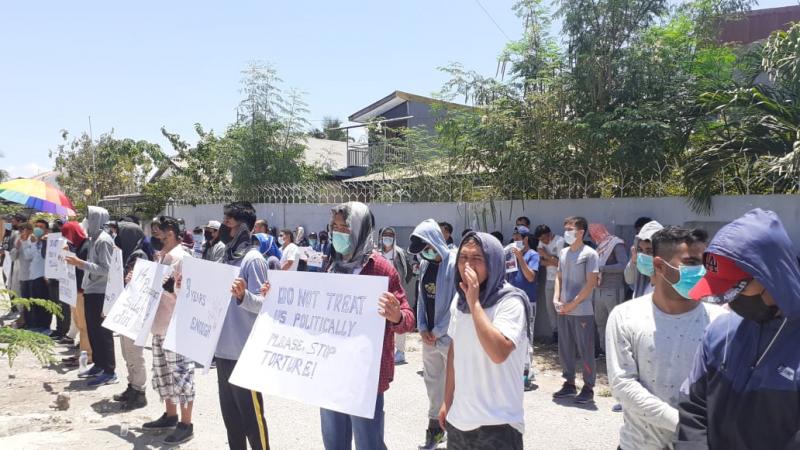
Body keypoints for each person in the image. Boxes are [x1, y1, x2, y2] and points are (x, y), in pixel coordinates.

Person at [677, 209, 800, 449]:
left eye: (736, 290)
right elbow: (693, 406)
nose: (727, 301)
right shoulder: (719, 332)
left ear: (770, 276)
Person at [606, 226, 725, 450]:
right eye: (691, 263)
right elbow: (623, 384)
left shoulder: (720, 321)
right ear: (659, 265)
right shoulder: (626, 316)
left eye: (705, 262)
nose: (701, 271)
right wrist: (684, 423)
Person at [315, 201, 415, 450]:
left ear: (361, 229)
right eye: (334, 227)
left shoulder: (380, 268)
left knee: (368, 442)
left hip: (364, 375)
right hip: (331, 370)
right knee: (334, 441)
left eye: (345, 228)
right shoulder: (331, 265)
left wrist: (396, 317)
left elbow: (408, 318)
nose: (338, 233)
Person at [439, 231, 530, 450]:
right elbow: (455, 351)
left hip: (498, 423)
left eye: (477, 259)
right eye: (463, 258)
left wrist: (475, 303)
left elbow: (498, 352)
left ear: (493, 262)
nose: (467, 265)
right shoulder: (460, 301)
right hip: (460, 420)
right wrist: (447, 400)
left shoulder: (510, 302)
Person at [215, 201, 271, 450]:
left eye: (228, 223)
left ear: (243, 226)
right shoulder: (225, 257)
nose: (223, 228)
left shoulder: (253, 260)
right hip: (223, 351)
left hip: (244, 353)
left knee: (252, 419)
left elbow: (263, 305)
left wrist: (243, 296)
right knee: (232, 420)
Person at [141, 216, 195, 445]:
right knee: (163, 374)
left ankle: (186, 424)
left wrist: (175, 289)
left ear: (170, 232)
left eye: (158, 231)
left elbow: (191, 294)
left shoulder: (183, 258)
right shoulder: (163, 257)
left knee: (181, 375)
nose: (154, 236)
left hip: (176, 327)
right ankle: (171, 415)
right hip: (160, 325)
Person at [408, 218, 458, 449]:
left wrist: (438, 331)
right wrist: (422, 327)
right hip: (429, 337)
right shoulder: (426, 265)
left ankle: (457, 433)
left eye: (427, 247)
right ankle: (435, 430)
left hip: (450, 338)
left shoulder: (455, 263)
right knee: (433, 383)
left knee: (455, 384)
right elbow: (421, 300)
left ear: (436, 241)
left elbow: (458, 303)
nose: (425, 253)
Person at [66, 206, 117, 386]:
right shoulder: (94, 239)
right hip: (91, 290)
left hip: (100, 292)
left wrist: (80, 263)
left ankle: (110, 371)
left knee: (103, 332)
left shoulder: (103, 240)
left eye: (89, 217)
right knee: (94, 331)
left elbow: (106, 269)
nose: (86, 221)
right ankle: (99, 364)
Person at [552, 216, 599, 404]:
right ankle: (569, 383)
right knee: (565, 349)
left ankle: (588, 387)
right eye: (566, 228)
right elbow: (558, 277)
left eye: (570, 229)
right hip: (563, 309)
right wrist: (556, 299)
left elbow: (591, 283)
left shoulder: (590, 254)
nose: (567, 232)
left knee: (586, 349)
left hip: (582, 311)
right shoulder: (563, 253)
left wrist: (573, 303)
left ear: (581, 232)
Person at [112, 221, 151, 411]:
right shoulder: (129, 254)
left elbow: (142, 283)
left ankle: (139, 392)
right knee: (126, 352)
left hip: (136, 312)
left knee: (134, 353)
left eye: (120, 234)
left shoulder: (140, 255)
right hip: (127, 310)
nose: (116, 238)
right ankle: (131, 386)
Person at [587, 223, 628, 356]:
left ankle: (617, 353)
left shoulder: (616, 244)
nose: (592, 239)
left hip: (613, 289)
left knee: (615, 323)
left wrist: (603, 269)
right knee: (600, 323)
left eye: (592, 236)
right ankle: (605, 352)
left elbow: (623, 266)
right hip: (598, 289)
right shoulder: (600, 246)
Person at [507, 225, 539, 391]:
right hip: (511, 301)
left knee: (527, 338)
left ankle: (526, 374)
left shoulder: (533, 255)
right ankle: (513, 372)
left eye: (519, 238)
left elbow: (530, 276)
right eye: (514, 238)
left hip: (527, 301)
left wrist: (520, 258)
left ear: (526, 239)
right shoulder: (510, 254)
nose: (516, 240)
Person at [379, 227, 415, 364]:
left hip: (395, 290)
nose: (387, 238)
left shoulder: (398, 252)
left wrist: (400, 285)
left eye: (390, 235)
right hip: (381, 291)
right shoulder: (377, 252)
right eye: (385, 235)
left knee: (398, 319)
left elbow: (406, 269)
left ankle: (400, 352)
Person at [59, 221, 92, 368]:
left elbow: (85, 268)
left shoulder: (86, 246)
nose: (68, 238)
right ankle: (82, 353)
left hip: (82, 291)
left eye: (68, 235)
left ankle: (87, 356)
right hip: (75, 290)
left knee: (84, 326)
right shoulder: (76, 246)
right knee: (79, 324)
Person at [17, 222, 51, 331]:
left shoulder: (48, 242)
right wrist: (25, 242)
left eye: (41, 227)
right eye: (36, 226)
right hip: (33, 276)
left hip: (43, 277)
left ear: (46, 230)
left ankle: (44, 326)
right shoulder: (35, 242)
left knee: (43, 304)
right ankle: (36, 325)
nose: (38, 229)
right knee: (35, 303)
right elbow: (28, 256)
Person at [534, 225, 565, 343]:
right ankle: (555, 333)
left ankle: (563, 334)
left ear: (549, 234)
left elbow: (559, 263)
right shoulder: (541, 243)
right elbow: (539, 261)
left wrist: (546, 255)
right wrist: (550, 260)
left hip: (560, 279)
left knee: (559, 307)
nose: (542, 242)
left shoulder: (560, 241)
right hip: (549, 279)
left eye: (543, 239)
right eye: (540, 240)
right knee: (549, 307)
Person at [623, 220, 663, 298]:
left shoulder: (669, 289)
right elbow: (629, 279)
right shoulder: (642, 289)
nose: (644, 255)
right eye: (640, 250)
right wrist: (633, 261)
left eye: (649, 251)